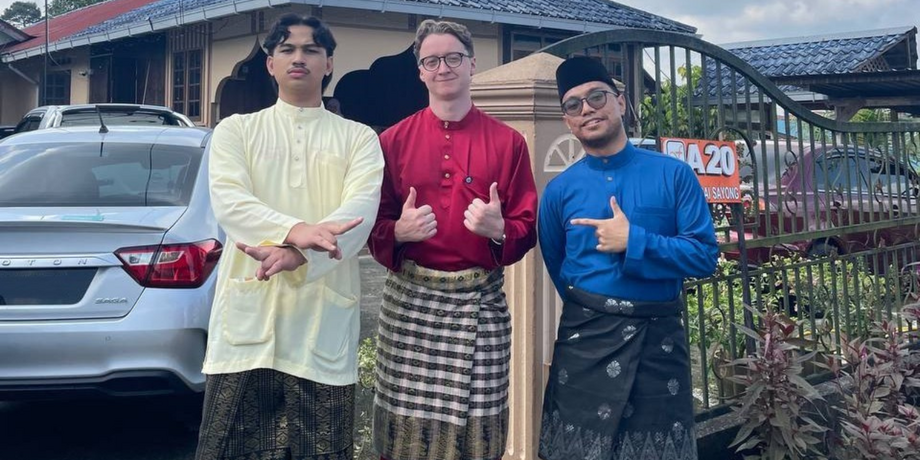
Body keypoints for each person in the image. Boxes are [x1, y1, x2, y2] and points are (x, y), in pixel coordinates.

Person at [196, 13, 384, 460]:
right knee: (230, 447)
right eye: (287, 49)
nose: (298, 58)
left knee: (321, 448)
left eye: (310, 49)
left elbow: (359, 214)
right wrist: (297, 232)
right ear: (270, 64)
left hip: (323, 314)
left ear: (329, 64)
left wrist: (300, 255)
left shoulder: (359, 139)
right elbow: (230, 202)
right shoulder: (236, 130)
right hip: (249, 319)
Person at [367, 19, 538, 460]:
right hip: (410, 304)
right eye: (431, 60)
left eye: (453, 58)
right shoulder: (391, 141)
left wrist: (499, 231)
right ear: (420, 71)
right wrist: (397, 233)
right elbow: (372, 225)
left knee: (478, 441)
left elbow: (527, 225)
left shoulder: (509, 143)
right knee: (402, 440)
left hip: (479, 304)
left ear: (471, 64)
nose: (443, 67)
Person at [537, 56, 719, 460]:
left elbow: (705, 255)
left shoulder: (674, 175)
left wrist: (634, 240)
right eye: (573, 105)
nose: (587, 109)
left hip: (659, 341)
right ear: (568, 121)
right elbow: (558, 264)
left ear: (620, 102)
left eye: (596, 97)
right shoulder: (559, 192)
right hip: (585, 339)